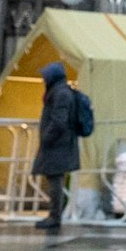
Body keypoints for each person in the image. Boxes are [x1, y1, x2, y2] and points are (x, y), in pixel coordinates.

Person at [31, 61, 81, 230]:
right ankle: (54, 215)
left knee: (55, 179)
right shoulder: (60, 92)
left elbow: (59, 121)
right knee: (54, 178)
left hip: (57, 144)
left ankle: (54, 216)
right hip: (59, 143)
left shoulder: (60, 94)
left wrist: (47, 137)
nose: (43, 79)